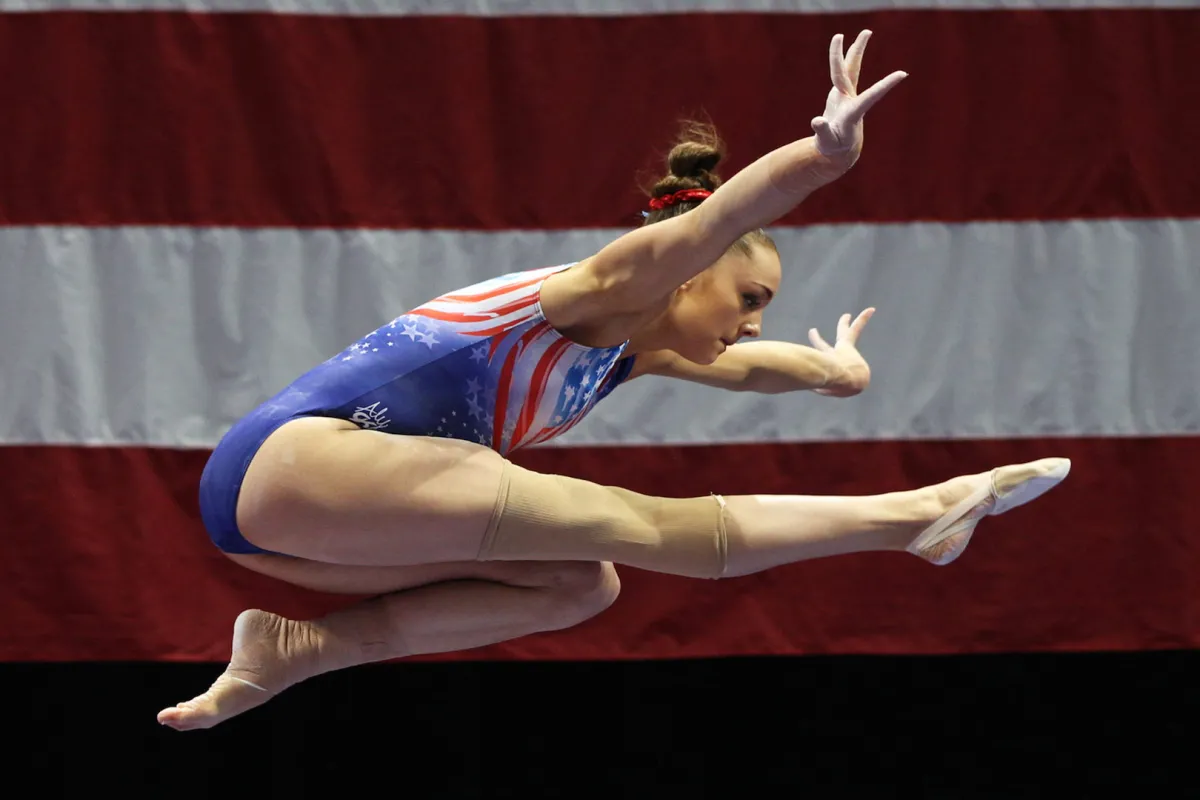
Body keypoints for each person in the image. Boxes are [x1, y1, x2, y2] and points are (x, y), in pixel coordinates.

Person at [159, 31, 1069, 731]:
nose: (751, 321)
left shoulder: (635, 347)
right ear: (689, 272)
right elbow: (729, 213)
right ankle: (914, 516)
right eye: (747, 296)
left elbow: (761, 370)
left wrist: (840, 372)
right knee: (632, 522)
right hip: (296, 463)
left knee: (577, 583)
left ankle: (298, 651)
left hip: (280, 529)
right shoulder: (599, 291)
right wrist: (823, 157)